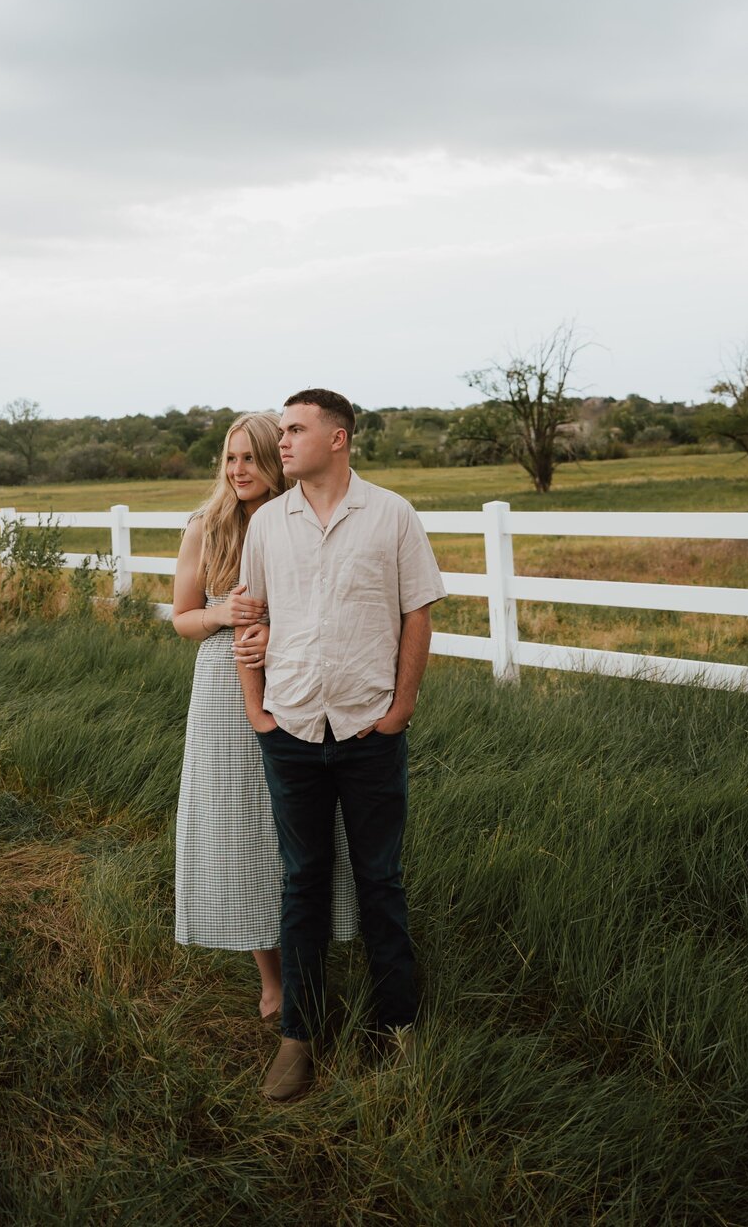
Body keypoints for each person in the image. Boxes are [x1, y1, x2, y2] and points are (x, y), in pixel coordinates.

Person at [237, 387, 447, 1101]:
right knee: (302, 883)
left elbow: (417, 615)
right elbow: (252, 619)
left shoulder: (391, 515)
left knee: (380, 880)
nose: (282, 440)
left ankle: (396, 1029)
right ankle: (300, 1035)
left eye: (295, 429)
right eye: (282, 429)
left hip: (367, 728)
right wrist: (258, 714)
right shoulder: (268, 524)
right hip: (291, 728)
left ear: (338, 438)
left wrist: (400, 711)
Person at [172, 411, 357, 1022]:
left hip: (300, 675)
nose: (238, 470)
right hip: (225, 690)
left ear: (276, 462)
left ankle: (316, 955)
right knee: (240, 825)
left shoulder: (299, 522)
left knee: (299, 824)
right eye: (230, 459)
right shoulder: (207, 527)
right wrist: (225, 616)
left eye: (250, 458)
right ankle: (272, 979)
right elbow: (182, 618)